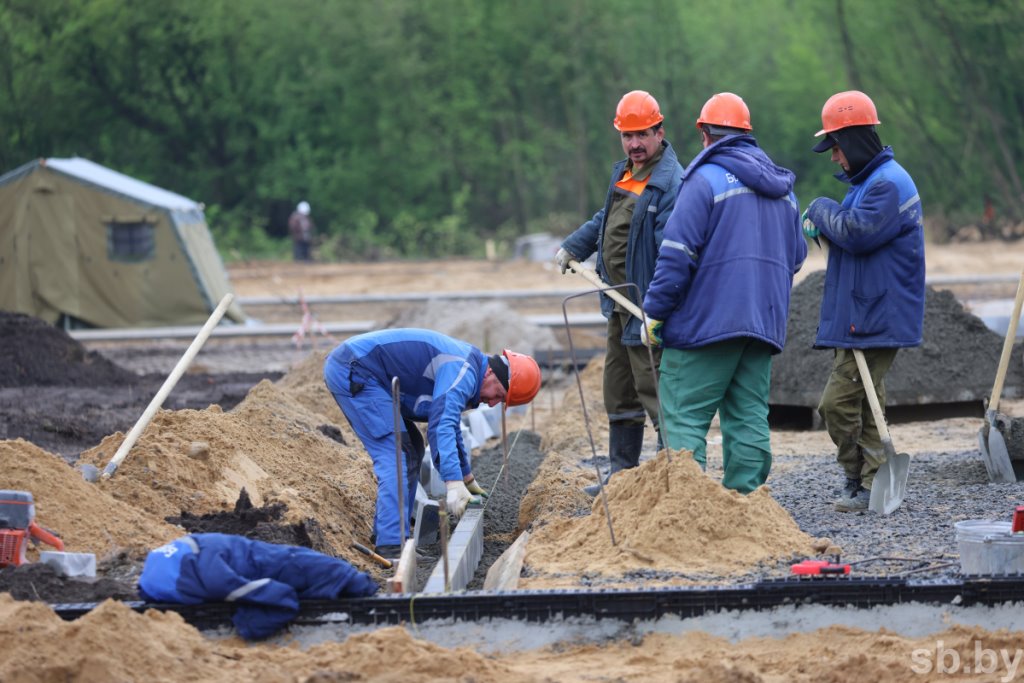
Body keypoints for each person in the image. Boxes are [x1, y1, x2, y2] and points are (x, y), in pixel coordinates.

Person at [642, 92, 806, 494]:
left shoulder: (703, 181)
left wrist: (654, 312)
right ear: (747, 134)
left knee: (683, 415)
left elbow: (676, 255)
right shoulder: (784, 191)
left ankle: (686, 507)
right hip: (762, 326)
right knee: (748, 415)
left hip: (705, 326)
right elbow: (797, 257)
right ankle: (745, 505)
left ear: (705, 133)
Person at [554, 90, 683, 495]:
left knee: (657, 392)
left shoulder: (670, 184)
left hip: (645, 308)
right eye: (627, 136)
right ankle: (622, 478)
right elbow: (605, 219)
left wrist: (658, 310)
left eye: (642, 134)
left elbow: (672, 254)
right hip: (618, 303)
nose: (634, 144)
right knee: (619, 388)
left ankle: (672, 481)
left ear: (660, 131)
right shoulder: (625, 173)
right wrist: (575, 245)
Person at [801, 90, 924, 512]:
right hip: (863, 312)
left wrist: (820, 208)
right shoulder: (870, 184)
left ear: (852, 140)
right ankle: (870, 484)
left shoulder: (887, 185)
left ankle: (857, 476)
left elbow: (856, 233)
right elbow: (853, 235)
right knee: (869, 404)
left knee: (835, 405)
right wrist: (827, 223)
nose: (834, 158)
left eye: (835, 148)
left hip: (877, 314)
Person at [323, 328, 541, 557]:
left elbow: (450, 424)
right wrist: (453, 483)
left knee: (412, 449)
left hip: (367, 371)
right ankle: (391, 545)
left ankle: (391, 534)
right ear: (492, 374)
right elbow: (441, 425)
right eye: (499, 395)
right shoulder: (462, 370)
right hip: (356, 369)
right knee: (398, 453)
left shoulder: (470, 368)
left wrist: (465, 476)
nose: (494, 403)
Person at [137, 533, 378, 640]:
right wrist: (246, 623)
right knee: (293, 570)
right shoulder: (212, 575)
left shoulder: (159, 567)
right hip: (191, 565)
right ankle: (351, 582)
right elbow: (281, 602)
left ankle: (350, 582)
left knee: (287, 564)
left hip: (167, 566)